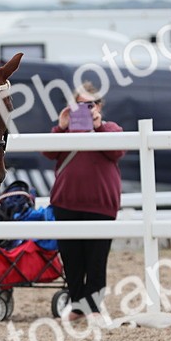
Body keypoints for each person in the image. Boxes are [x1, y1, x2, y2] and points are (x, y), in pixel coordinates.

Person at [42, 83, 124, 323]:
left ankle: (95, 307)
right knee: (71, 259)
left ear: (99, 106)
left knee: (97, 259)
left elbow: (117, 150)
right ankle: (78, 306)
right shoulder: (65, 132)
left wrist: (98, 126)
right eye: (80, 104)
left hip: (101, 205)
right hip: (66, 203)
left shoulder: (110, 129)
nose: (86, 109)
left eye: (91, 104)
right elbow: (47, 152)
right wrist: (62, 126)